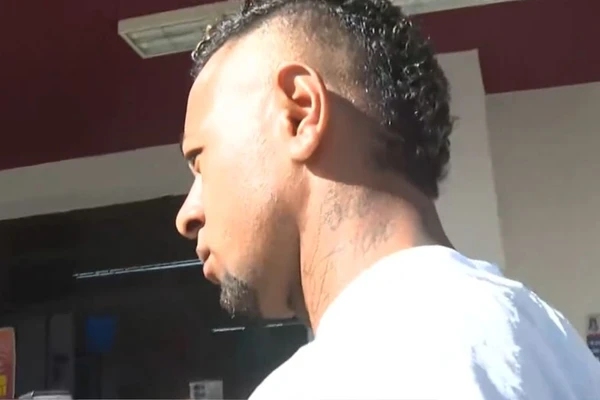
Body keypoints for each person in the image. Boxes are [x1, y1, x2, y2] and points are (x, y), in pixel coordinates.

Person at [175, 0, 600, 398]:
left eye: (199, 160)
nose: (186, 216)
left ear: (299, 115)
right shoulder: (557, 349)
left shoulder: (347, 379)